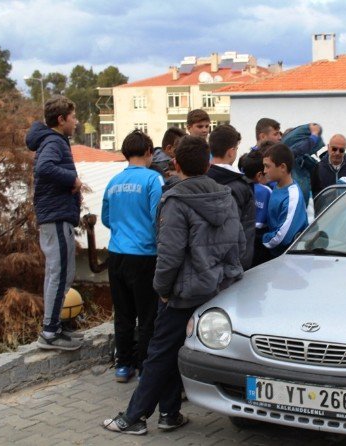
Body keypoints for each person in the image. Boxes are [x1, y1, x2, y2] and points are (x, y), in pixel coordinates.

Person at [102, 135, 246, 435]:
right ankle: (169, 413)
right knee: (173, 351)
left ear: (176, 164)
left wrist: (163, 290)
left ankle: (134, 417)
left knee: (159, 353)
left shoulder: (176, 200)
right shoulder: (226, 196)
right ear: (208, 164)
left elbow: (169, 254)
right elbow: (238, 245)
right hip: (217, 288)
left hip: (183, 291)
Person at [101, 130, 164, 383]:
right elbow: (158, 217)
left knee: (123, 313)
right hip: (144, 255)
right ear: (149, 152)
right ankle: (144, 366)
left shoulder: (113, 182)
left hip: (116, 254)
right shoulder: (153, 179)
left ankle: (123, 365)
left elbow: (106, 219)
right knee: (147, 315)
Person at [26, 95, 83, 351]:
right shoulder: (53, 142)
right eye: (73, 117)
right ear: (61, 119)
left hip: (58, 215)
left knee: (63, 272)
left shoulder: (55, 140)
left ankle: (55, 327)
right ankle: (50, 332)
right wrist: (72, 179)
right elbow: (44, 168)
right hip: (56, 216)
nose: (77, 122)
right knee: (58, 272)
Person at [206, 124, 255, 269]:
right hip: (233, 268)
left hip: (203, 266)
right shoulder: (240, 187)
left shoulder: (198, 181)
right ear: (231, 152)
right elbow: (239, 231)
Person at [262, 143, 309, 256]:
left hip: (288, 258)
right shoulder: (275, 185)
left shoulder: (292, 196)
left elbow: (282, 237)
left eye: (268, 166)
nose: (264, 171)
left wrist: (261, 239)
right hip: (275, 254)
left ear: (282, 167)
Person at [239, 147, 273, 267]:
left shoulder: (237, 186)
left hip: (241, 237)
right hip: (259, 242)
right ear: (259, 175)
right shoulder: (267, 191)